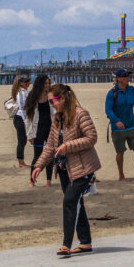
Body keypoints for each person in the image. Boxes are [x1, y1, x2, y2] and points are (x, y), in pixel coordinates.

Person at [32, 83, 100, 256]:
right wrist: (38, 165)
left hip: (83, 168)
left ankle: (66, 245)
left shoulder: (80, 114)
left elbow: (91, 138)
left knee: (69, 201)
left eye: (53, 101)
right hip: (63, 169)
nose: (51, 104)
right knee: (77, 203)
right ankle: (85, 242)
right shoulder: (57, 119)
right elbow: (50, 146)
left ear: (62, 98)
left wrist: (67, 146)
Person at [104, 68, 134, 181]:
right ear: (118, 78)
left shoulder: (132, 90)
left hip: (131, 126)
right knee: (120, 152)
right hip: (118, 130)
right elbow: (108, 110)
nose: (127, 78)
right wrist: (116, 121)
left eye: (127, 76)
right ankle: (121, 175)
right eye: (124, 76)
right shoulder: (112, 93)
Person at [24, 74, 54, 187]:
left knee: (50, 155)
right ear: (40, 84)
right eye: (45, 83)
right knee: (37, 156)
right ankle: (32, 180)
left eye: (48, 83)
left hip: (50, 129)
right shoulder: (33, 97)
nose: (47, 85)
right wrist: (29, 135)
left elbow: (55, 111)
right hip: (37, 130)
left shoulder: (51, 95)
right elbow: (28, 119)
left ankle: (48, 181)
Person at [10, 73, 31, 168]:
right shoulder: (21, 93)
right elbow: (22, 109)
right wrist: (25, 122)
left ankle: (21, 162)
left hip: (22, 118)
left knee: (23, 140)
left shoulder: (25, 91)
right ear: (20, 83)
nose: (27, 83)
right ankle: (21, 163)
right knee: (22, 140)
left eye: (28, 81)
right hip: (20, 118)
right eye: (25, 81)